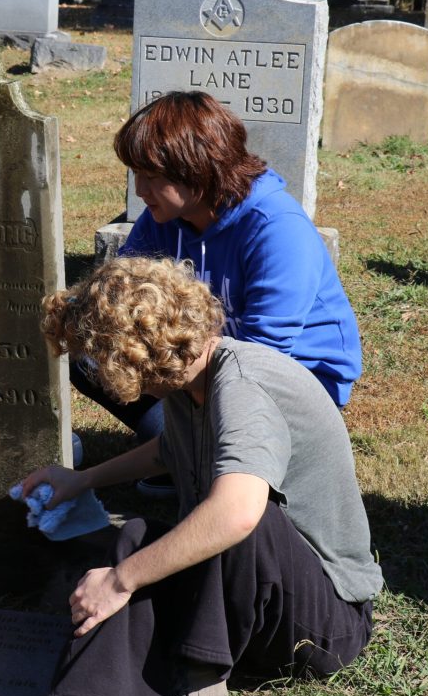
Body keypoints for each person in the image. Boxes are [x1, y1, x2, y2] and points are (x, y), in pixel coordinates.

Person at [23, 258, 382, 696]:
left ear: (133, 354)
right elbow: (167, 451)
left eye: (98, 360)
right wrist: (84, 480)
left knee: (237, 517)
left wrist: (119, 582)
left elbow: (237, 515)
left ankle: (199, 686)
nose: (98, 374)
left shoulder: (244, 388)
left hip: (325, 626)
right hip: (252, 604)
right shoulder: (192, 378)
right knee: (135, 535)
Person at [71, 91, 361, 494]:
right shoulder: (164, 218)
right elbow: (119, 303)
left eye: (151, 177)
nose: (139, 190)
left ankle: (189, 457)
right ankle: (182, 454)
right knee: (89, 343)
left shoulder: (277, 229)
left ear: (197, 168)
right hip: (203, 373)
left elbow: (264, 357)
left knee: (204, 438)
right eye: (136, 174)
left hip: (290, 385)